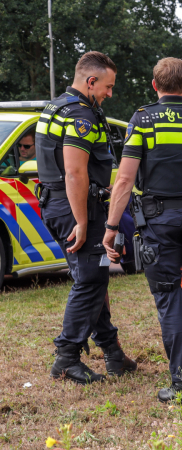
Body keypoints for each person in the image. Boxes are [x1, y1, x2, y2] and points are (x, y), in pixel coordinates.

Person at [103, 57, 182, 402]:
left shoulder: (143, 120)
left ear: (155, 86)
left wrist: (111, 227)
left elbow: (126, 180)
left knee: (168, 296)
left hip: (160, 223)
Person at [34, 51, 136, 384]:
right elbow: (75, 173)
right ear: (91, 81)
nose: (109, 93)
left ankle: (113, 353)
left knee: (96, 277)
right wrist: (81, 221)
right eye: (107, 87)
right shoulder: (80, 115)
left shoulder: (55, 106)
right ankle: (66, 357)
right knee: (91, 279)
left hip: (58, 205)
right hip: (77, 208)